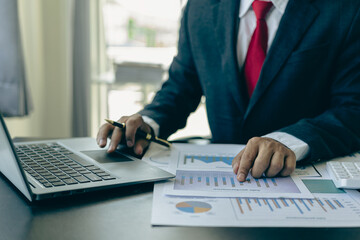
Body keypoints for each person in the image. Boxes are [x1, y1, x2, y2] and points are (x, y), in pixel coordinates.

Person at [97, 0, 360, 182]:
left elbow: (352, 108)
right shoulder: (200, 7)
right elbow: (181, 86)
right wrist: (147, 123)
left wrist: (287, 141)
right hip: (222, 181)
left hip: (304, 180)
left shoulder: (345, 9)